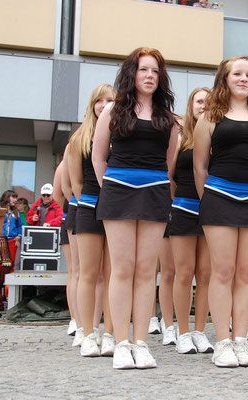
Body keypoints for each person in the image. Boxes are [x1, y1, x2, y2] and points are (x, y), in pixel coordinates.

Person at [92, 47, 178, 369]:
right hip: (118, 192)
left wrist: (156, 186)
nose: (150, 76)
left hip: (155, 194)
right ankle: (120, 342)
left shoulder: (168, 118)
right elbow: (98, 157)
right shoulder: (113, 110)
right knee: (122, 268)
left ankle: (140, 342)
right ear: (132, 73)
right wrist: (111, 189)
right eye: (144, 69)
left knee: (146, 271)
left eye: (155, 71)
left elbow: (169, 162)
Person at [194, 55, 248, 367]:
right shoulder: (209, 118)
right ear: (224, 79)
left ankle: (241, 339)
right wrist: (210, 199)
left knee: (247, 273)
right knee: (223, 271)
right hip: (219, 197)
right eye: (237, 74)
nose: (243, 79)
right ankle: (223, 341)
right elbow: (200, 166)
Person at [67, 84, 116, 357]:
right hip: (88, 206)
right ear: (92, 104)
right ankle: (87, 332)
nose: (105, 105)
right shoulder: (79, 138)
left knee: (112, 274)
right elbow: (75, 182)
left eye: (110, 100)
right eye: (100, 100)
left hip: (117, 208)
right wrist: (88, 203)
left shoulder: (120, 134)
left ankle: (109, 333)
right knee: (88, 272)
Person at [168, 87, 214, 354]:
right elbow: (169, 177)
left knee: (206, 274)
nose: (203, 105)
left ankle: (200, 331)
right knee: (184, 273)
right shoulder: (179, 138)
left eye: (208, 102)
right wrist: (178, 202)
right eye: (199, 101)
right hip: (184, 209)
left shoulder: (217, 137)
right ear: (191, 105)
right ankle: (183, 332)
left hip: (212, 212)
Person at [61, 145, 83, 346]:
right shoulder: (73, 147)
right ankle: (76, 319)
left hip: (93, 209)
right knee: (76, 271)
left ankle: (85, 320)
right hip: (77, 211)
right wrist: (77, 202)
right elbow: (61, 190)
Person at [0, 190, 22, 265]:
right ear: (7, 197)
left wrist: (19, 236)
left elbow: (20, 226)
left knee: (10, 263)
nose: (16, 200)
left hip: (12, 241)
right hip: (0, 241)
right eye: (13, 197)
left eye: (16, 198)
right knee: (0, 262)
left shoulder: (16, 212)